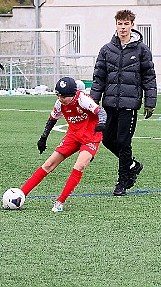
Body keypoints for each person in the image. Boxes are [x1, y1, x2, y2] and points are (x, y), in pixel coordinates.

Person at [90, 9, 157, 196]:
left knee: (123, 142)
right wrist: (93, 103)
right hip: (109, 103)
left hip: (129, 104)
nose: (123, 27)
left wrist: (150, 102)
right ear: (116, 25)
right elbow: (99, 78)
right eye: (120, 24)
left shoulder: (142, 50)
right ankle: (133, 165)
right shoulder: (106, 49)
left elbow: (149, 77)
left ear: (132, 25)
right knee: (107, 139)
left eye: (126, 24)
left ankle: (123, 182)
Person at [20, 77, 107, 212]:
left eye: (63, 96)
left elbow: (101, 111)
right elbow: (52, 119)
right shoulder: (60, 103)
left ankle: (60, 201)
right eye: (58, 95)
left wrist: (101, 123)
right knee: (49, 164)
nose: (60, 98)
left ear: (73, 95)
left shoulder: (82, 99)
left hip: (91, 136)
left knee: (80, 165)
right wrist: (43, 138)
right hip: (73, 135)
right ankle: (21, 194)